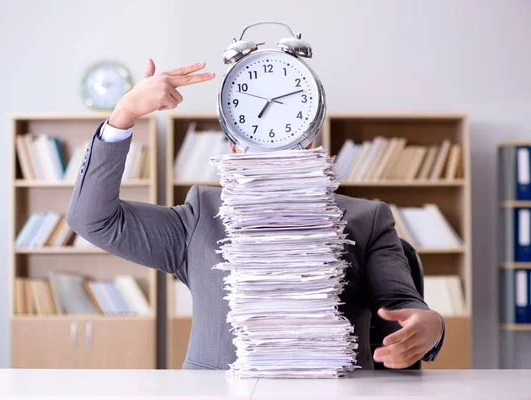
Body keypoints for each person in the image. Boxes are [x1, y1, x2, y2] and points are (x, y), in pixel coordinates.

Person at [67, 58, 445, 370]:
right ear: (233, 149)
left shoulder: (367, 219)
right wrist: (124, 114)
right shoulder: (201, 217)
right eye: (253, 132)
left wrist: (430, 325)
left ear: (308, 140)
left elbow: (400, 302)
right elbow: (93, 219)